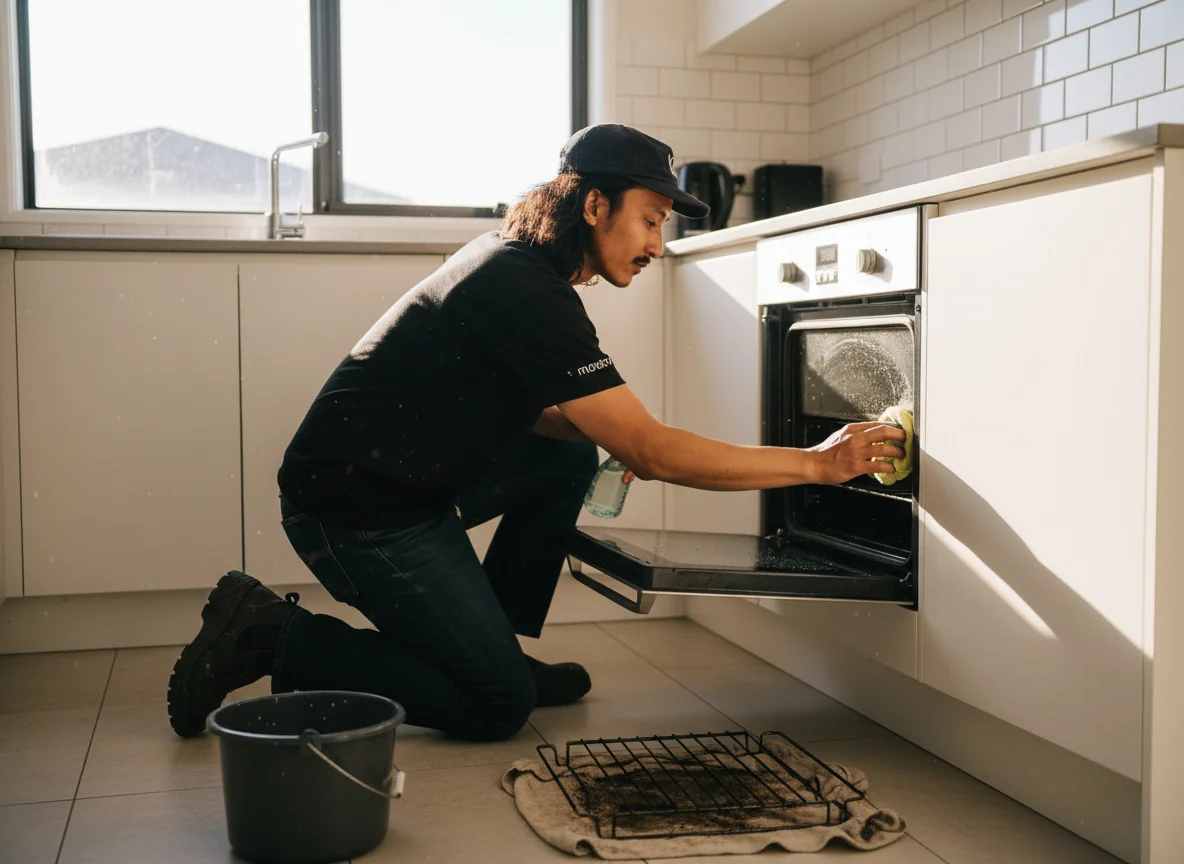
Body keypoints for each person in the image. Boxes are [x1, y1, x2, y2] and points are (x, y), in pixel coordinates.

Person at [167, 123, 906, 742]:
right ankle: (269, 633)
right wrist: (816, 465)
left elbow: (535, 413)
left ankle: (497, 649)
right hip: (355, 514)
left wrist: (613, 435)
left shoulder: (517, 267)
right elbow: (648, 449)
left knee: (567, 451)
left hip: (395, 486)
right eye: (650, 219)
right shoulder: (525, 291)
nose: (656, 245)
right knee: (494, 708)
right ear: (594, 206)